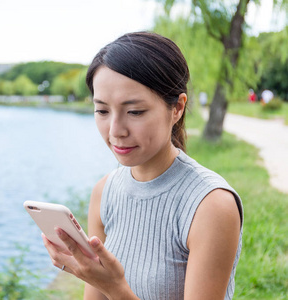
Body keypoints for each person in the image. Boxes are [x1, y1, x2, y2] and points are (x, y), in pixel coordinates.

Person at [41, 32, 243, 300]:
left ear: (177, 108)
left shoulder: (211, 205)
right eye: (102, 111)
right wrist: (86, 273)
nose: (115, 131)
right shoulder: (104, 192)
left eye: (134, 111)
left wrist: (115, 289)